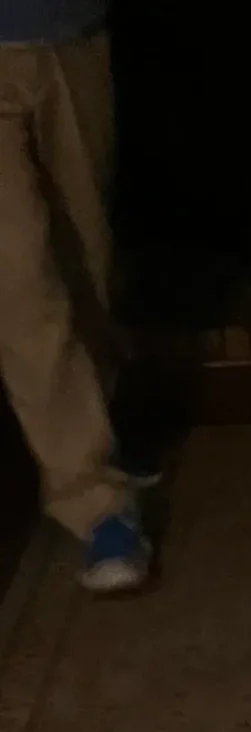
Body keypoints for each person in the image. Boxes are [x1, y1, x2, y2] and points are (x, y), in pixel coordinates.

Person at [0, 3, 151, 590]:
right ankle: (98, 505)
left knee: (86, 261)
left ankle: (103, 436)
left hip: (72, 29)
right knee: (19, 283)